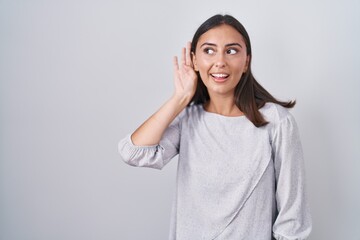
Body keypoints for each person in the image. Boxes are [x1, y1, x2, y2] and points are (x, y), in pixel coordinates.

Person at [118, 14, 312, 240]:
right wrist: (180, 98)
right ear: (195, 61)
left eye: (231, 51)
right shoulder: (188, 120)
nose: (220, 61)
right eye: (209, 51)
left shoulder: (275, 121)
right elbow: (132, 152)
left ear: (246, 61)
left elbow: (292, 220)